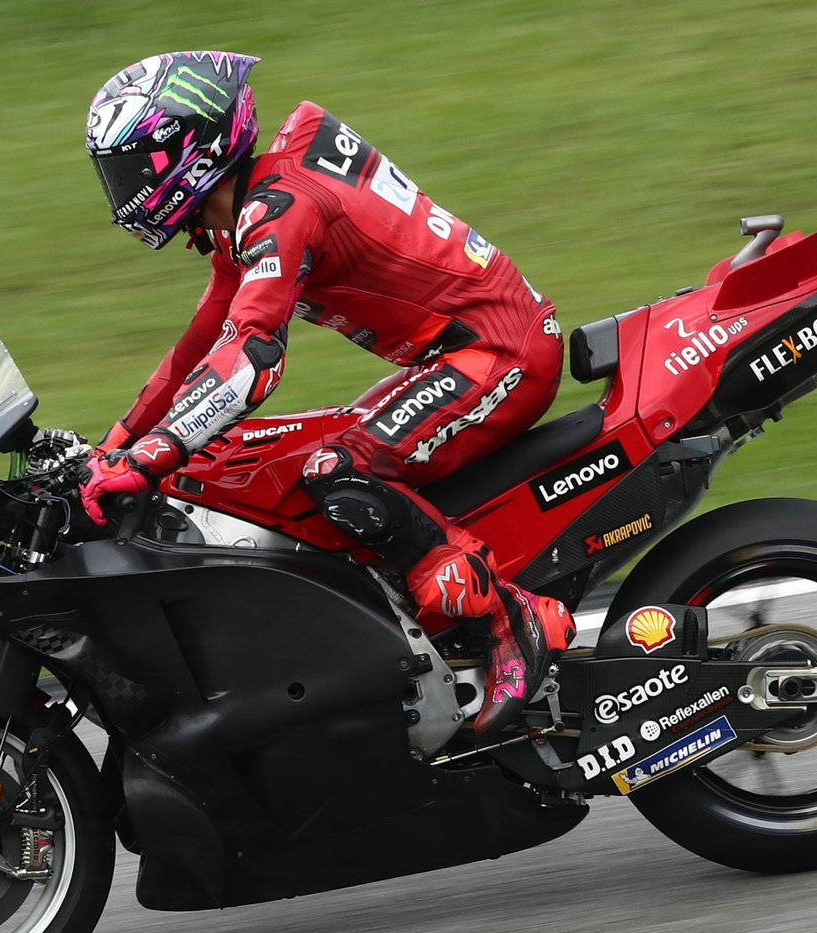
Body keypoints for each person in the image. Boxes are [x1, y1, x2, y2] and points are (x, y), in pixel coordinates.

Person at [78, 50, 574, 736]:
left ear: (186, 151)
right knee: (282, 459)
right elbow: (199, 347)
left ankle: (509, 620)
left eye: (131, 168)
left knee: (337, 469)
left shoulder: (281, 208)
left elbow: (253, 359)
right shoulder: (247, 212)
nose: (121, 190)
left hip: (500, 353)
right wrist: (113, 445)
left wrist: (149, 457)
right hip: (458, 354)